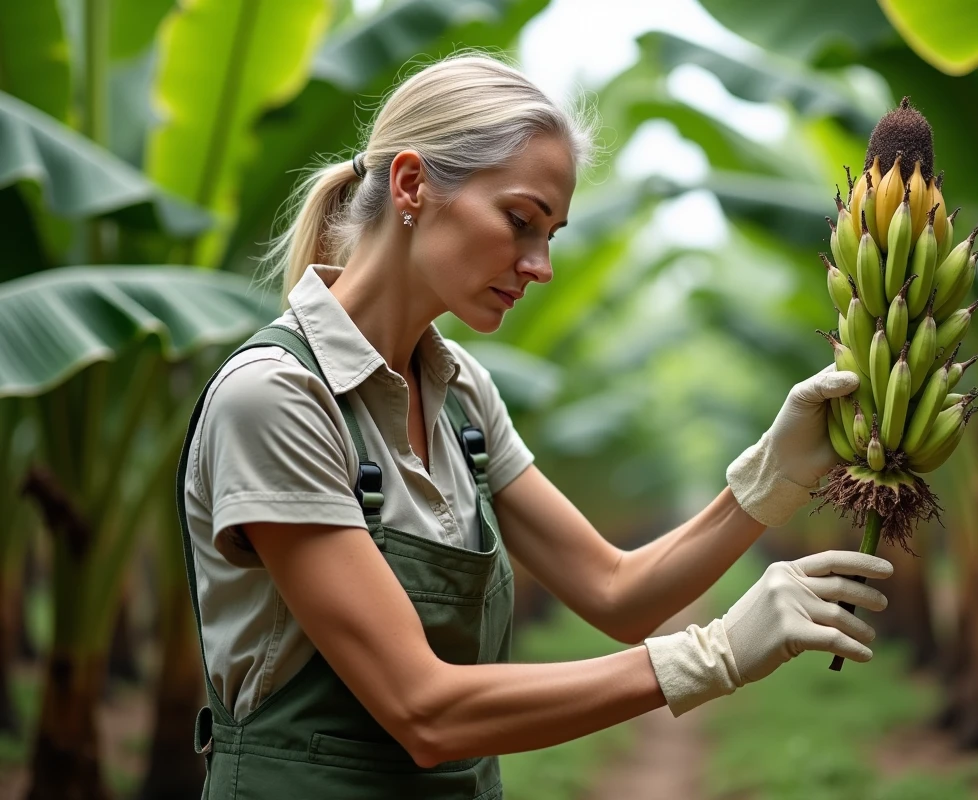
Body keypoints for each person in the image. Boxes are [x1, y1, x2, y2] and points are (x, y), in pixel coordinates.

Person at [177, 50, 892, 799]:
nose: (540, 264)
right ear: (412, 185)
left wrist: (772, 475)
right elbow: (424, 710)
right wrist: (712, 652)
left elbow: (617, 592)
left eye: (550, 234)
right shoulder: (277, 401)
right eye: (521, 221)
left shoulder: (462, 398)